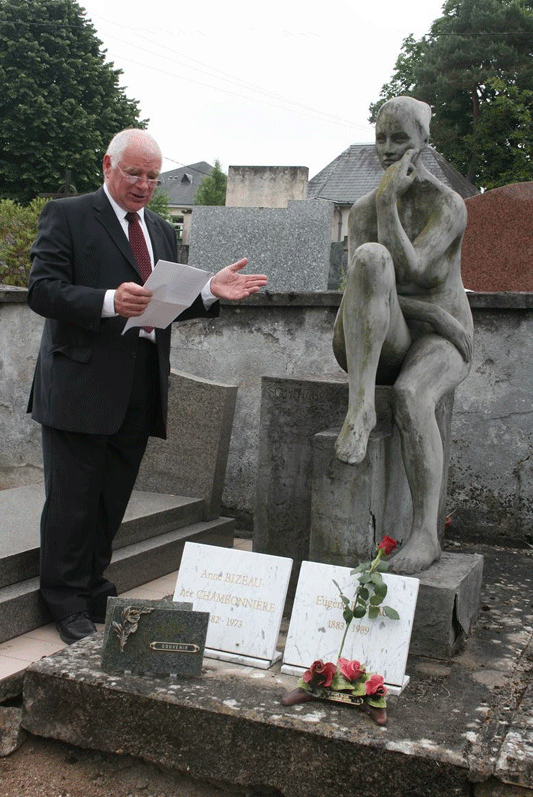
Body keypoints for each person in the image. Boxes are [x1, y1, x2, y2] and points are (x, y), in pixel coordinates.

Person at [27, 129, 267, 643]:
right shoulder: (67, 215)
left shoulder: (158, 228)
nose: (144, 185)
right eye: (134, 173)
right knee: (72, 499)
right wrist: (111, 300)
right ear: (107, 165)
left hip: (140, 386)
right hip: (78, 386)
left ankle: (93, 586)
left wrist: (207, 291)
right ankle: (63, 597)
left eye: (153, 176)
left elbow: (165, 304)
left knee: (112, 497)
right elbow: (43, 292)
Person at [333, 97, 473, 574]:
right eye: (381, 138)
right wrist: (430, 315)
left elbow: (414, 268)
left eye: (400, 139)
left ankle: (425, 535)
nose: (388, 149)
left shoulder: (447, 205)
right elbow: (366, 287)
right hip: (396, 333)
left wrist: (390, 201)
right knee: (370, 259)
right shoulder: (361, 211)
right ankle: (362, 406)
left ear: (421, 144)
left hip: (443, 342)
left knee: (413, 394)